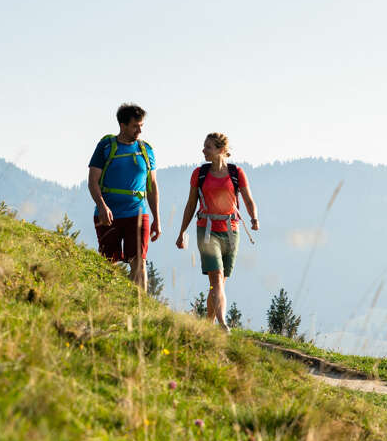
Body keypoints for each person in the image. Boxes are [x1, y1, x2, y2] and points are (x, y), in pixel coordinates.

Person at [176, 133, 259, 331]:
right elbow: (190, 204)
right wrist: (182, 232)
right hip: (206, 230)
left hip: (231, 231)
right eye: (204, 147)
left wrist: (254, 218)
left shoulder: (236, 173)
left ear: (221, 150)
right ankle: (223, 323)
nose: (203, 150)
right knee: (216, 278)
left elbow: (248, 199)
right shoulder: (200, 174)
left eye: (208, 147)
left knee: (219, 282)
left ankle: (208, 324)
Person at [88, 104, 160, 290]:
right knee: (108, 262)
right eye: (135, 126)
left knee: (139, 262)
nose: (140, 130)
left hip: (138, 213)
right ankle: (107, 303)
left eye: (141, 125)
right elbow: (92, 181)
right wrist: (102, 207)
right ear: (122, 125)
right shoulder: (106, 146)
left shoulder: (146, 150)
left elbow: (151, 187)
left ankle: (139, 309)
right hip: (108, 214)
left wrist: (156, 219)